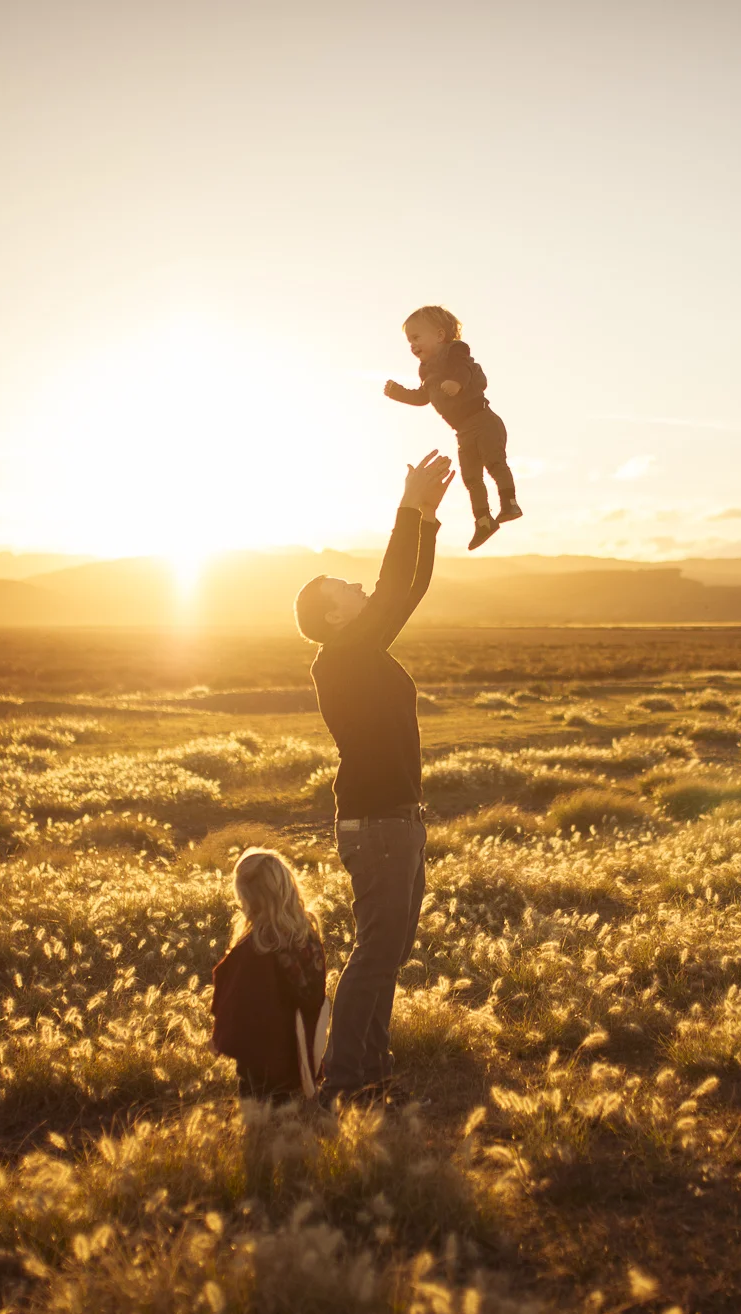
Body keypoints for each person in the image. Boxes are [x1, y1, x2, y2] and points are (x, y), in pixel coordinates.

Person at [292, 451, 456, 1102]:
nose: (361, 591)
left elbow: (405, 592)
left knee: (387, 949)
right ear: (332, 617)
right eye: (345, 592)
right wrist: (406, 509)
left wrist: (428, 522)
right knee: (376, 949)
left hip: (398, 819)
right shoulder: (341, 658)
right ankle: (344, 1073)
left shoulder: (360, 649)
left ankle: (372, 1063)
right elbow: (391, 590)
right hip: (379, 824)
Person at [383, 305, 521, 551]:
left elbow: (464, 368)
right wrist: (398, 393)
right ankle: (484, 521)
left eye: (416, 338)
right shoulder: (426, 370)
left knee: (494, 463)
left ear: (439, 335)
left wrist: (456, 382)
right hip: (463, 431)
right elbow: (422, 397)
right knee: (471, 478)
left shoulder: (455, 351)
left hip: (484, 421)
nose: (412, 345)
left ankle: (509, 503)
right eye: (409, 341)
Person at [210, 848, 329, 1103]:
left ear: (247, 899)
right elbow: (316, 999)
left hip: (260, 1071)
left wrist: (220, 1038)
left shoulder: (251, 951)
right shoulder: (308, 939)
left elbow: (233, 1006)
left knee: (260, 1125)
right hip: (303, 1061)